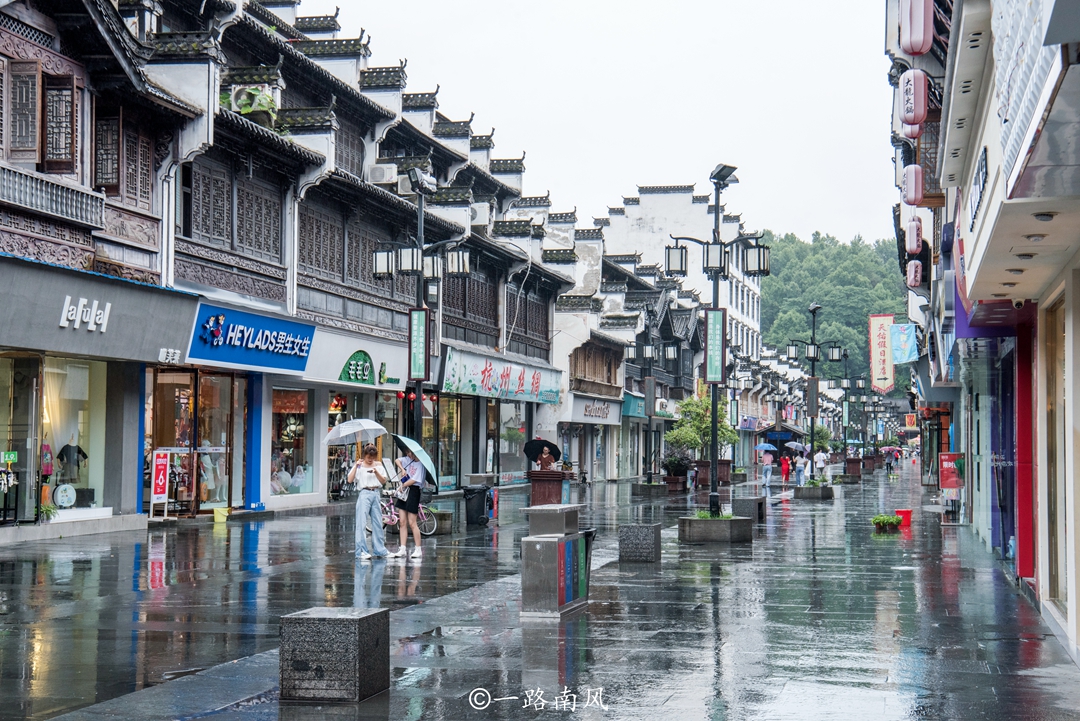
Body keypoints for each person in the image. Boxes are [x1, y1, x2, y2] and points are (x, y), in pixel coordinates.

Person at [348, 444, 389, 560]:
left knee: (377, 522)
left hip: (376, 492)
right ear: (364, 456)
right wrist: (356, 466)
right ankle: (361, 551)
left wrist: (376, 472)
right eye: (368, 458)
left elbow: (383, 480)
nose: (371, 460)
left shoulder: (379, 465)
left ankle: (380, 549)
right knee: (361, 523)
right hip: (364, 493)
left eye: (373, 458)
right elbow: (350, 479)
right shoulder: (359, 466)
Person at [390, 451, 426, 560]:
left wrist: (403, 485)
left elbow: (415, 479)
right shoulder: (408, 460)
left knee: (412, 522)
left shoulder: (421, 464)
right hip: (404, 490)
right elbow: (397, 460)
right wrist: (402, 469)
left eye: (410, 453)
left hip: (413, 491)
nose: (409, 455)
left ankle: (418, 549)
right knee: (402, 521)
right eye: (408, 452)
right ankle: (402, 548)